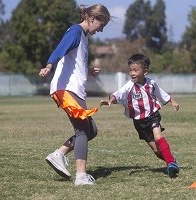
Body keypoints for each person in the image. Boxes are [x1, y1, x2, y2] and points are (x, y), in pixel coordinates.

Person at [39, 4, 111, 186]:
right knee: (81, 131)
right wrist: (49, 65)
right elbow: (60, 49)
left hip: (74, 88)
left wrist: (87, 70)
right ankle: (81, 176)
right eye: (101, 26)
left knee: (90, 131)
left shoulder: (83, 37)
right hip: (67, 90)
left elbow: (73, 64)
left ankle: (59, 154)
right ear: (93, 18)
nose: (101, 30)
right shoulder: (75, 31)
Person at [100, 54, 180, 178]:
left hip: (152, 115)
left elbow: (161, 93)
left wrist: (172, 101)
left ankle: (170, 164)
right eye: (130, 70)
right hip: (139, 122)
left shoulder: (151, 83)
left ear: (145, 71)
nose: (132, 73)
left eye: (136, 70)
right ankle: (172, 159)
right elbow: (118, 94)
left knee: (158, 137)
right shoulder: (129, 86)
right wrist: (110, 100)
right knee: (157, 151)